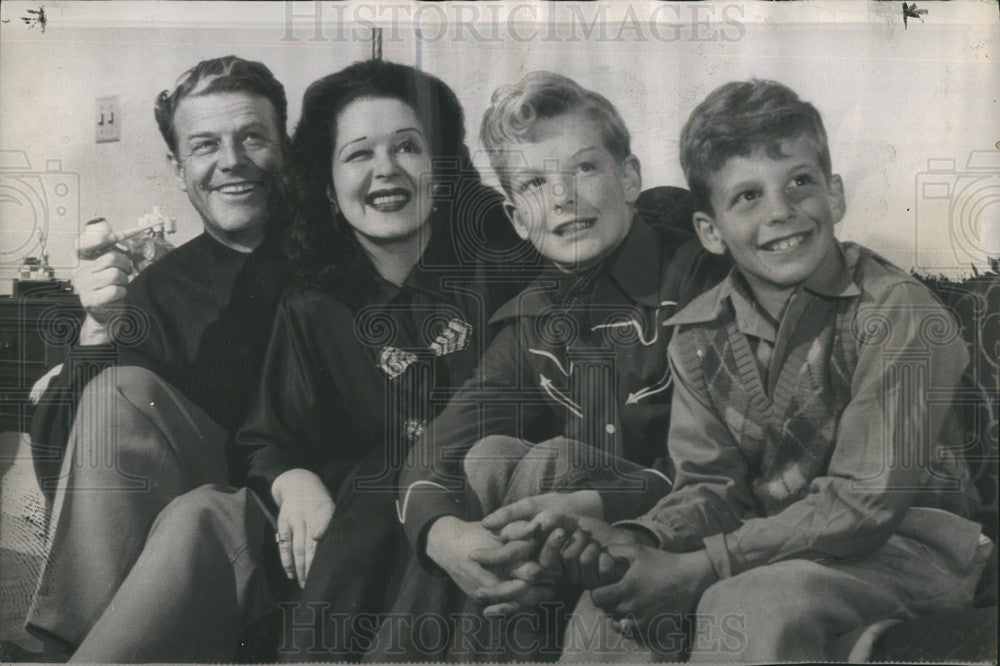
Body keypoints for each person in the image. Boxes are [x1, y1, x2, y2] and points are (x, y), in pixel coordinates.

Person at [547, 79, 992, 662]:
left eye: (800, 183)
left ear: (833, 195)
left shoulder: (899, 313)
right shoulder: (699, 335)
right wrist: (641, 543)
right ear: (711, 231)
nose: (782, 211)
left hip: (912, 550)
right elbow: (710, 488)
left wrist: (707, 564)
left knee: (744, 605)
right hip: (771, 551)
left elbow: (867, 504)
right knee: (610, 610)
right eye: (748, 196)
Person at [383, 72, 729, 661]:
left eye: (585, 169)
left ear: (629, 178)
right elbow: (431, 455)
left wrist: (606, 504)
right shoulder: (531, 321)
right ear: (519, 219)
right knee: (485, 457)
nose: (564, 198)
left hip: (686, 525)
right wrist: (447, 539)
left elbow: (740, 467)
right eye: (536, 183)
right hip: (566, 545)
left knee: (551, 459)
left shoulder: (701, 275)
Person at [235, 59, 539, 662]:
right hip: (360, 540)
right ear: (325, 184)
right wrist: (294, 481)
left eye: (408, 147)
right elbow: (269, 437)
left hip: (486, 507)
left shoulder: (503, 268)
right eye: (357, 155)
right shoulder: (310, 304)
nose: (386, 170)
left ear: (443, 169)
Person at [25, 55, 296, 660]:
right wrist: (96, 330)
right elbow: (66, 466)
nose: (232, 161)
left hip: (289, 511)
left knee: (198, 516)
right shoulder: (160, 286)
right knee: (116, 393)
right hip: (192, 507)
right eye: (205, 145)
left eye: (253, 136)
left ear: (286, 148)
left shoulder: (336, 253)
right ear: (177, 169)